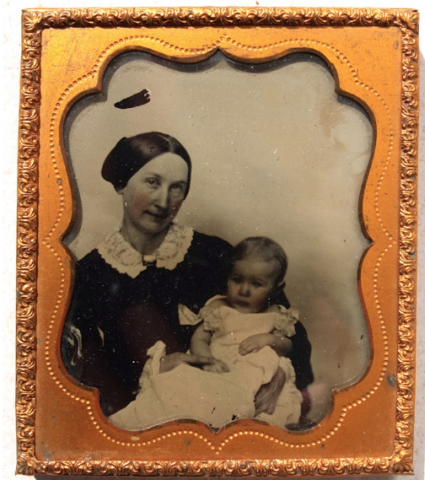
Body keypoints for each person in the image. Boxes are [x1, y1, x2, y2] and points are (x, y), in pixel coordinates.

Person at [61, 132, 313, 419]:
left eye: (177, 187)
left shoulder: (212, 254)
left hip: (243, 406)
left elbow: (292, 335)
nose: (163, 200)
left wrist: (278, 378)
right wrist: (158, 369)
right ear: (122, 183)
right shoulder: (90, 274)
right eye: (152, 182)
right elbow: (93, 378)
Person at [109, 237, 302, 430]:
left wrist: (267, 339)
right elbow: (200, 337)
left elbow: (286, 344)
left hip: (258, 376)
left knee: (266, 415)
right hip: (218, 369)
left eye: (256, 284)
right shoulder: (218, 307)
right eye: (237, 279)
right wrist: (207, 359)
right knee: (186, 389)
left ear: (276, 289)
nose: (244, 290)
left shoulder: (276, 314)